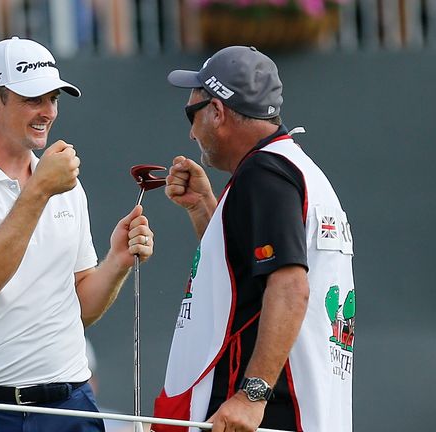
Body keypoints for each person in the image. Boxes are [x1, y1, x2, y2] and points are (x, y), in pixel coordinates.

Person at [0, 36, 154, 432]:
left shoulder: (67, 186)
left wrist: (118, 262)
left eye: (53, 99)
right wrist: (39, 189)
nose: (48, 112)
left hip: (70, 405)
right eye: (32, 99)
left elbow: (79, 307)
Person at [152, 46, 355, 432]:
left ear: (218, 112)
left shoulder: (264, 174)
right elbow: (243, 277)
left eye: (192, 115)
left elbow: (290, 286)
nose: (192, 131)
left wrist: (252, 395)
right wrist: (205, 210)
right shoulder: (294, 166)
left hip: (270, 412)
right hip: (305, 409)